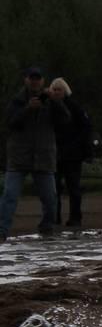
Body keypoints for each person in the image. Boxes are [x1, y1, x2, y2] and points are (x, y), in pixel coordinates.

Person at [0, 67, 68, 243]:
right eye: (32, 78)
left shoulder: (51, 101)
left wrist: (55, 101)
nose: (35, 81)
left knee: (50, 199)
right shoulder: (17, 101)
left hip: (44, 157)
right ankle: (2, 231)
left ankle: (47, 228)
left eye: (38, 78)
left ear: (43, 81)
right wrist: (28, 109)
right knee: (9, 196)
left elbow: (66, 121)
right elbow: (10, 123)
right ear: (26, 80)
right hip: (18, 157)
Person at [49, 77, 93, 228]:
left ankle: (75, 218)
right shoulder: (49, 107)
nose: (56, 92)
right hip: (55, 153)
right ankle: (55, 217)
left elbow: (86, 128)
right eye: (53, 89)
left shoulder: (74, 107)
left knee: (73, 187)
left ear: (65, 91)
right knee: (54, 187)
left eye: (58, 89)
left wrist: (81, 148)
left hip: (73, 154)